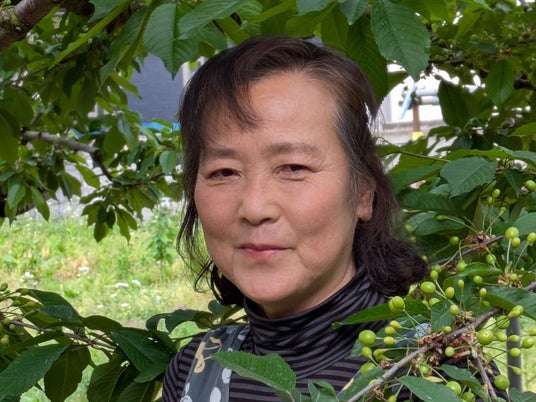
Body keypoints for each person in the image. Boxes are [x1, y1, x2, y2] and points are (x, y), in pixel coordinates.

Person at [162, 35, 428, 401]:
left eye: (293, 167)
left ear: (363, 193)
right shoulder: (195, 371)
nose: (255, 208)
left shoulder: (429, 369)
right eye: (224, 172)